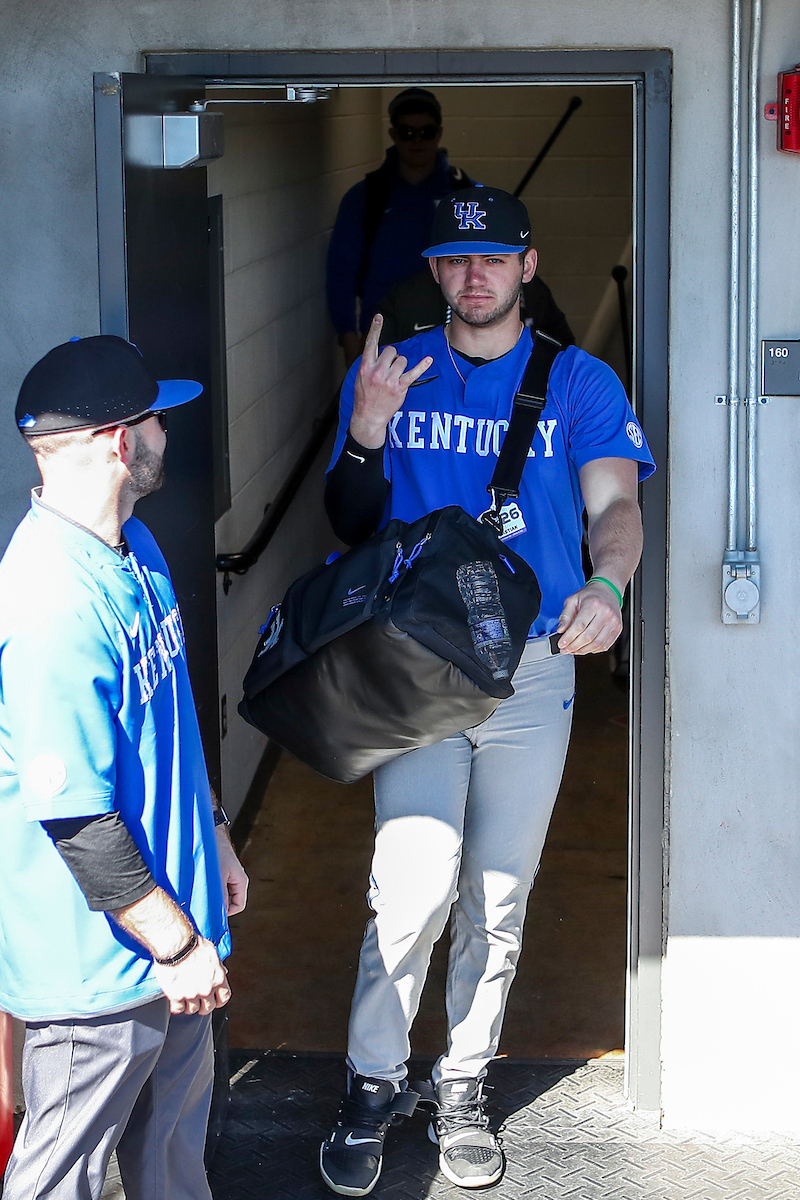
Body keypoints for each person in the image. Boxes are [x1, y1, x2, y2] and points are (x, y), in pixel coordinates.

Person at [320, 187, 655, 1195]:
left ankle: (460, 1082)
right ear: (434, 273)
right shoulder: (392, 373)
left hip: (532, 671)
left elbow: (616, 508)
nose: (474, 275)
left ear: (525, 265)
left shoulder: (579, 380)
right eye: (455, 260)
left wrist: (604, 586)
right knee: (412, 887)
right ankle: (371, 1083)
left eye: (493, 259)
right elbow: (347, 518)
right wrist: (368, 431)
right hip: (416, 672)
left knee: (495, 897)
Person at [0, 335, 249, 1200]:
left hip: (177, 925)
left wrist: (213, 832)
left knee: (173, 1161)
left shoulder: (134, 546)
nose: (167, 435)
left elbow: (167, 720)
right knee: (58, 1176)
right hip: (101, 969)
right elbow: (75, 815)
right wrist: (175, 945)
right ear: (118, 440)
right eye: (158, 420)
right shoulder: (49, 603)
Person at [326, 87, 473, 368]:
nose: (416, 141)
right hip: (384, 336)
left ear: (439, 133)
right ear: (393, 135)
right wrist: (349, 339)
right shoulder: (365, 198)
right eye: (407, 133)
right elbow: (341, 272)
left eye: (425, 132)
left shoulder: (464, 194)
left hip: (454, 336)